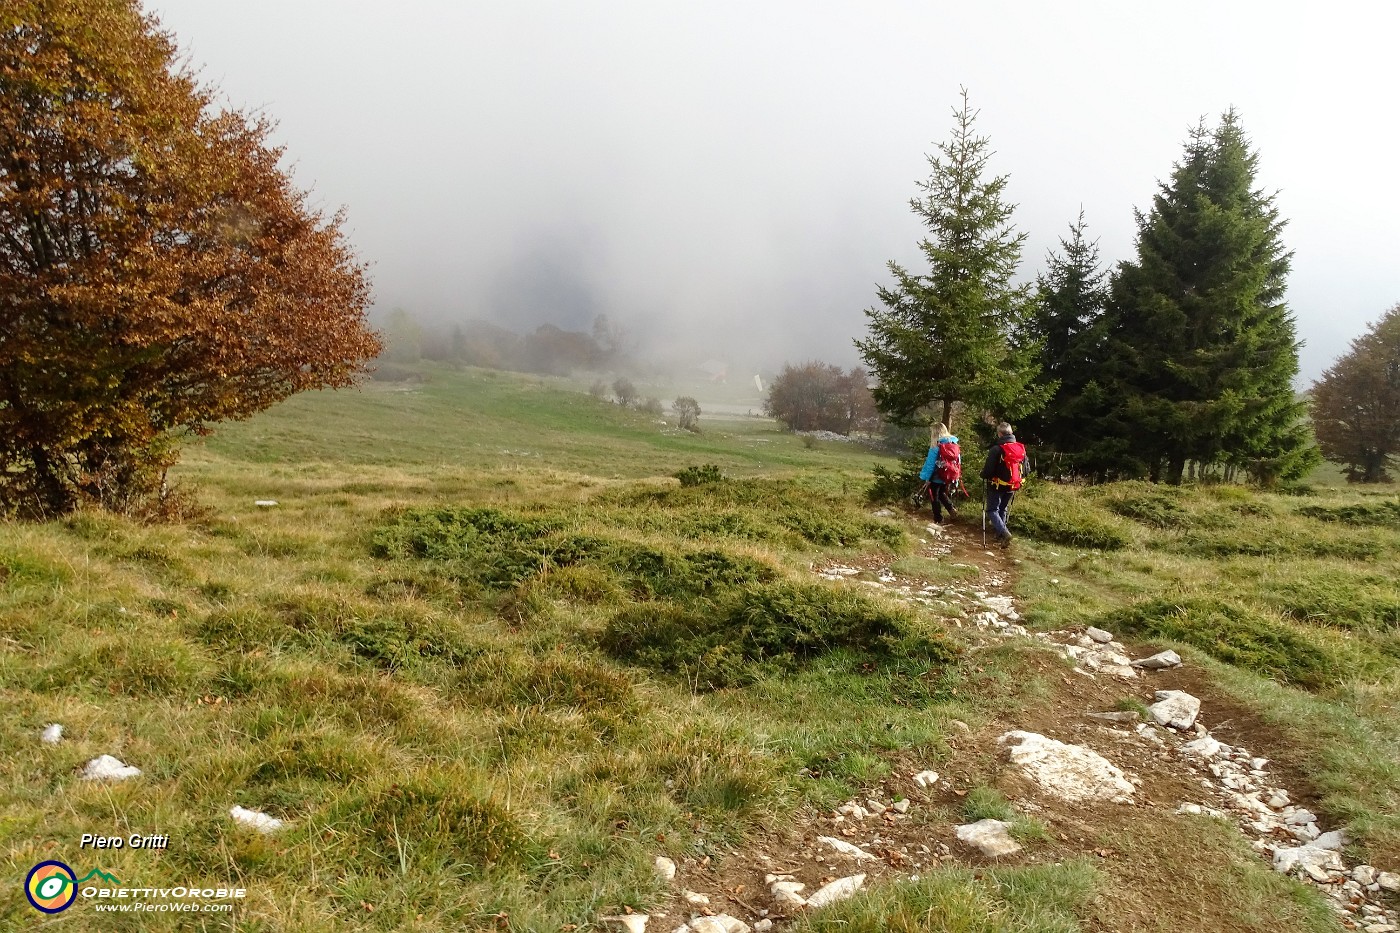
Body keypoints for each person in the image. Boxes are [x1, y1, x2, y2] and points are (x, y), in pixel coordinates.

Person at [980, 422, 1026, 547]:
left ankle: (1004, 533)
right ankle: (1000, 536)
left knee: (992, 510)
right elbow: (1026, 469)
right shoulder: (1020, 448)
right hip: (1013, 484)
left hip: (997, 484)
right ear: (1011, 433)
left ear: (999, 434)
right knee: (1002, 509)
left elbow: (988, 470)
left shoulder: (996, 449)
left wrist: (983, 475)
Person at [918, 423, 961, 523]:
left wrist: (927, 478)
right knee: (941, 493)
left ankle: (938, 518)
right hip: (949, 474)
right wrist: (956, 477)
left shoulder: (936, 446)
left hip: (936, 475)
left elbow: (930, 464)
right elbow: (958, 462)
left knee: (934, 496)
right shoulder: (954, 444)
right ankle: (951, 509)